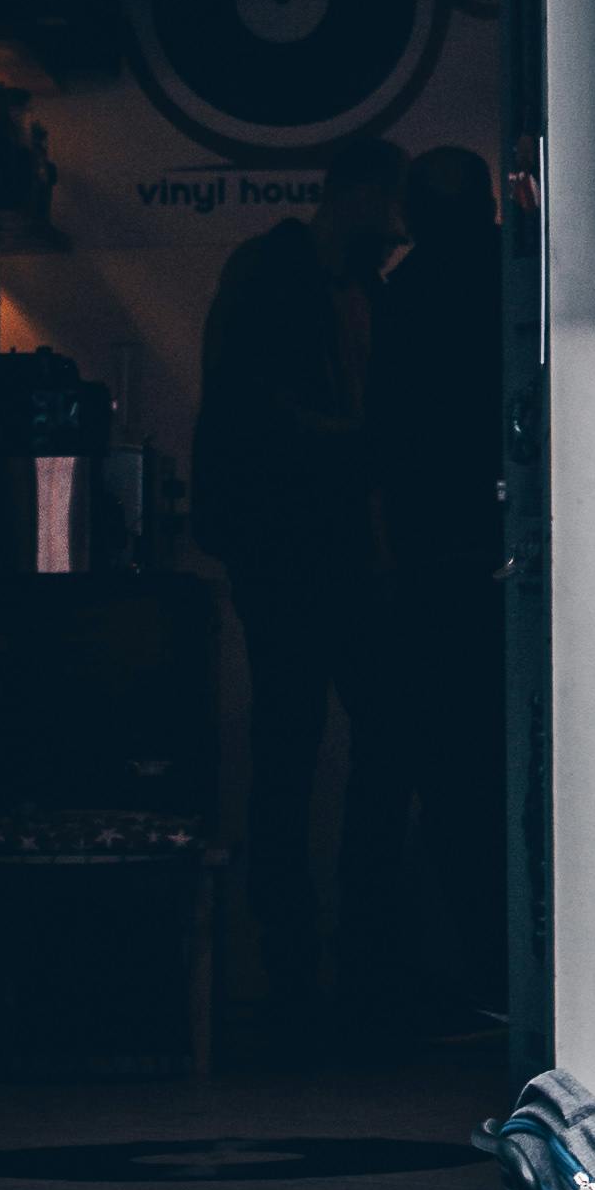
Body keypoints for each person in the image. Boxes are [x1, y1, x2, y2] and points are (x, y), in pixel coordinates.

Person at [188, 129, 407, 1045]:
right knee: (305, 752)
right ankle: (312, 970)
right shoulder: (286, 277)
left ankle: (336, 965)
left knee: (325, 749)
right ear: (357, 194)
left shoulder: (344, 283)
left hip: (332, 555)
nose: (397, 228)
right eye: (389, 205)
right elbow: (257, 409)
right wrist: (357, 450)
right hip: (295, 554)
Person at [366, 143, 508, 1023]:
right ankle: (519, 968)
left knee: (446, 776)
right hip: (511, 557)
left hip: (427, 567)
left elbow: (382, 442)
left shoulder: (403, 295)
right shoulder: (516, 277)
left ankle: (476, 973)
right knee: (511, 767)